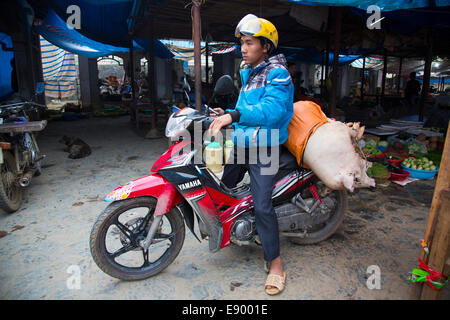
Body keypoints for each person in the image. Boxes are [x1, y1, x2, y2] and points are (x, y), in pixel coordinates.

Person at [208, 14, 294, 295]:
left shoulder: (278, 73)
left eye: (249, 43)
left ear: (265, 46)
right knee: (225, 185)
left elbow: (273, 111)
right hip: (244, 143)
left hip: (265, 146)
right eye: (242, 43)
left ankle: (276, 263)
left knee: (263, 205)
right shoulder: (249, 72)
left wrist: (235, 115)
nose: (243, 48)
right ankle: (236, 229)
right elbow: (246, 106)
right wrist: (227, 112)